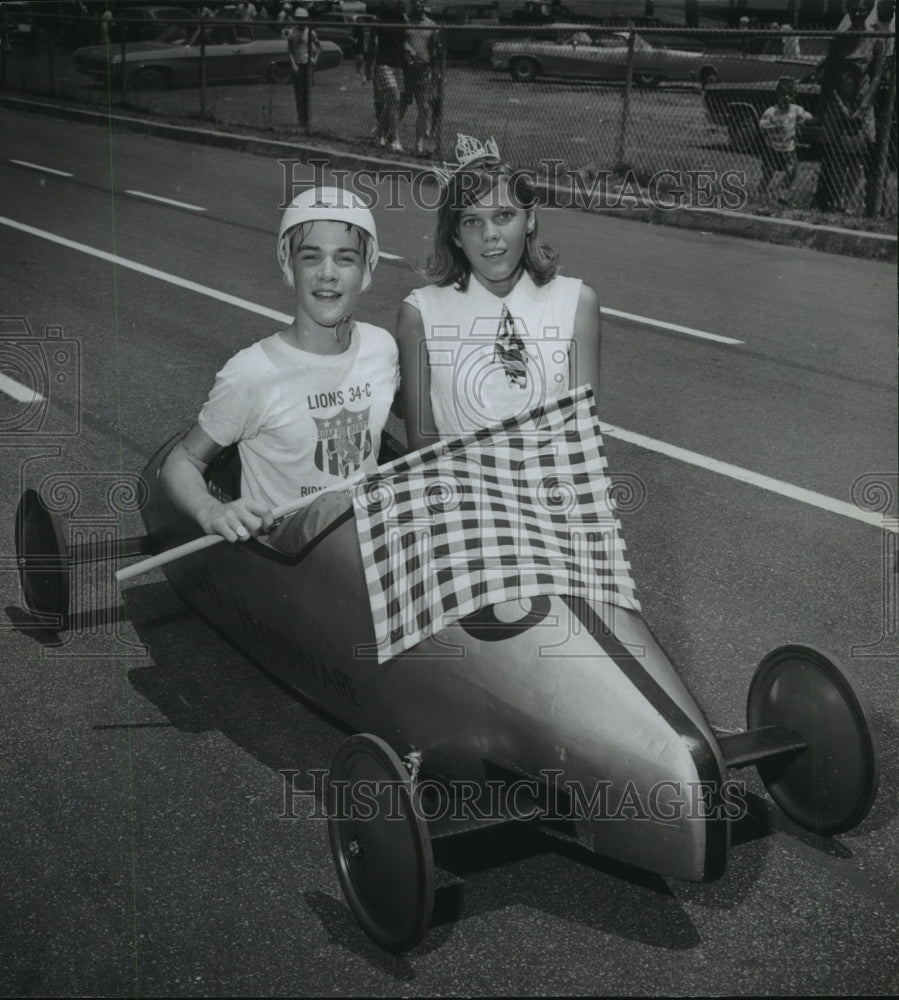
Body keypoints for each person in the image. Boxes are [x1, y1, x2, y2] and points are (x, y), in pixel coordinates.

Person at [161, 187, 399, 554]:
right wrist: (211, 510)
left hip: (365, 541)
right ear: (289, 267)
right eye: (311, 257)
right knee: (331, 509)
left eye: (346, 258)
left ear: (368, 272)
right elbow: (183, 460)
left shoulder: (382, 348)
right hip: (292, 556)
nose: (327, 274)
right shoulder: (251, 373)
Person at [396, 134, 601, 449]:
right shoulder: (420, 314)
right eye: (472, 222)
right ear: (455, 235)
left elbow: (582, 438)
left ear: (529, 218)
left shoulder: (576, 303)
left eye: (504, 215)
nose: (490, 235)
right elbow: (422, 449)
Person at [812, 1, 885, 212]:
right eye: (855, 11)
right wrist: (840, 106)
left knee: (858, 155)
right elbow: (830, 77)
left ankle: (854, 204)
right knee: (834, 154)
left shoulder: (876, 38)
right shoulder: (839, 39)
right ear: (849, 12)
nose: (859, 15)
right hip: (838, 102)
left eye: (863, 11)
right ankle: (832, 201)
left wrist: (862, 108)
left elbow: (877, 76)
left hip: (862, 103)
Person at [758, 78, 814, 201]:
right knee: (769, 172)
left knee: (792, 170)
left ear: (794, 96)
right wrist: (774, 127)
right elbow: (762, 125)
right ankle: (760, 192)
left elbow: (805, 116)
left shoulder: (795, 109)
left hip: (788, 148)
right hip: (772, 148)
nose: (786, 98)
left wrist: (810, 118)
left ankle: (780, 192)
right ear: (777, 95)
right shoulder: (771, 112)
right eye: (783, 94)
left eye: (790, 95)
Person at [398, 0, 442, 156]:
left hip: (424, 72)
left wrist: (436, 72)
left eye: (420, 2)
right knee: (401, 105)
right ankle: (391, 135)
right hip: (406, 72)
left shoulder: (431, 25)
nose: (418, 5)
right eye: (414, 2)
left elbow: (435, 51)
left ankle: (419, 143)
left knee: (424, 107)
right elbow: (399, 41)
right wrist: (406, 49)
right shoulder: (405, 22)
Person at [365, 1, 409, 152]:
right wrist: (368, 68)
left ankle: (379, 132)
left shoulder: (402, 19)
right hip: (383, 63)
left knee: (392, 102)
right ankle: (395, 139)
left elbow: (405, 41)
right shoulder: (378, 20)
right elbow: (372, 45)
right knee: (394, 97)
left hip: (398, 65)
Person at [287, 7, 321, 128]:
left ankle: (307, 120)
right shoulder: (292, 32)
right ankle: (300, 120)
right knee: (299, 94)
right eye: (299, 19)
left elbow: (319, 46)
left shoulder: (310, 32)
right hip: (297, 65)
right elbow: (290, 50)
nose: (301, 22)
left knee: (307, 93)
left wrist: (315, 60)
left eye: (303, 19)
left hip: (307, 64)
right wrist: (293, 64)